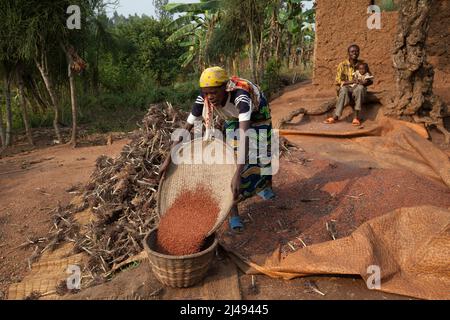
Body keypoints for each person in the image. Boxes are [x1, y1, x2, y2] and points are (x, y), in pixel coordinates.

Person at [159, 67, 275, 232]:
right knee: (231, 160)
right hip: (232, 118)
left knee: (263, 150)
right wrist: (168, 159)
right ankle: (232, 212)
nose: (210, 97)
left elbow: (245, 135)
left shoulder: (241, 97)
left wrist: (238, 173)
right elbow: (186, 129)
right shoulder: (204, 98)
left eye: (214, 92)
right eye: (206, 92)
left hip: (258, 113)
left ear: (225, 87)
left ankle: (264, 187)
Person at [324, 44, 373, 126]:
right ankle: (336, 116)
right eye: (352, 51)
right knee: (343, 89)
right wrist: (352, 81)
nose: (355, 53)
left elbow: (370, 80)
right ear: (348, 53)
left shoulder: (363, 65)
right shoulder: (342, 65)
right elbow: (338, 81)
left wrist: (364, 82)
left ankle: (356, 117)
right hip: (348, 88)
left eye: (357, 51)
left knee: (360, 88)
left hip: (358, 89)